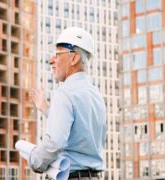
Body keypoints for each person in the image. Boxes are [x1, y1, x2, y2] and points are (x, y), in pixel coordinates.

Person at [29, 27, 107, 179]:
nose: (52, 60)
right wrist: (45, 108)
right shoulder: (96, 95)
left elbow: (54, 143)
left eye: (58, 54)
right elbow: (80, 131)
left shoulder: (65, 93)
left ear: (74, 58)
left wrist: (35, 160)